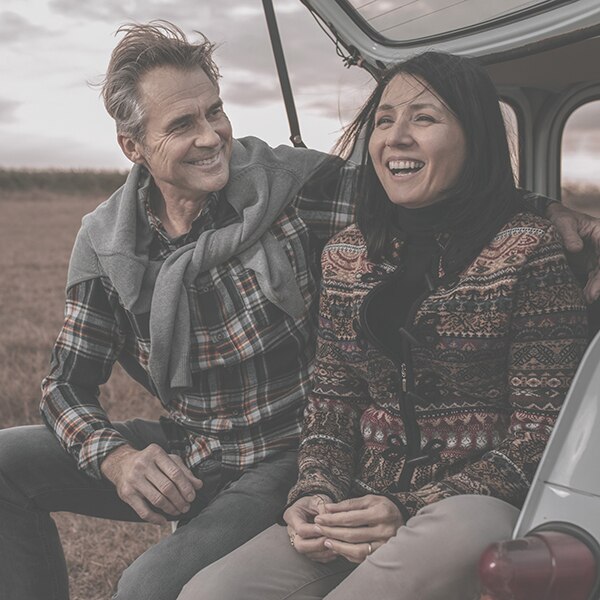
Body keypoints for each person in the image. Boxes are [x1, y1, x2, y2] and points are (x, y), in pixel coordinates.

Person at [0, 22, 597, 600]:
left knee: (147, 589)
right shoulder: (106, 243)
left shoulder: (293, 188)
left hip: (282, 451)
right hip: (195, 442)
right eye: (183, 124)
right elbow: (64, 386)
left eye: (215, 111)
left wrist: (545, 210)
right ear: (132, 146)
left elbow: (432, 187)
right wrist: (118, 458)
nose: (211, 136)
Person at [176, 51, 591, 600]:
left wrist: (408, 507)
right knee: (210, 594)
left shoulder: (529, 252)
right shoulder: (347, 252)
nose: (396, 136)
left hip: (478, 508)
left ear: (476, 137)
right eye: (384, 119)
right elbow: (333, 398)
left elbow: (542, 435)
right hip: (360, 502)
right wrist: (314, 492)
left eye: (424, 118)